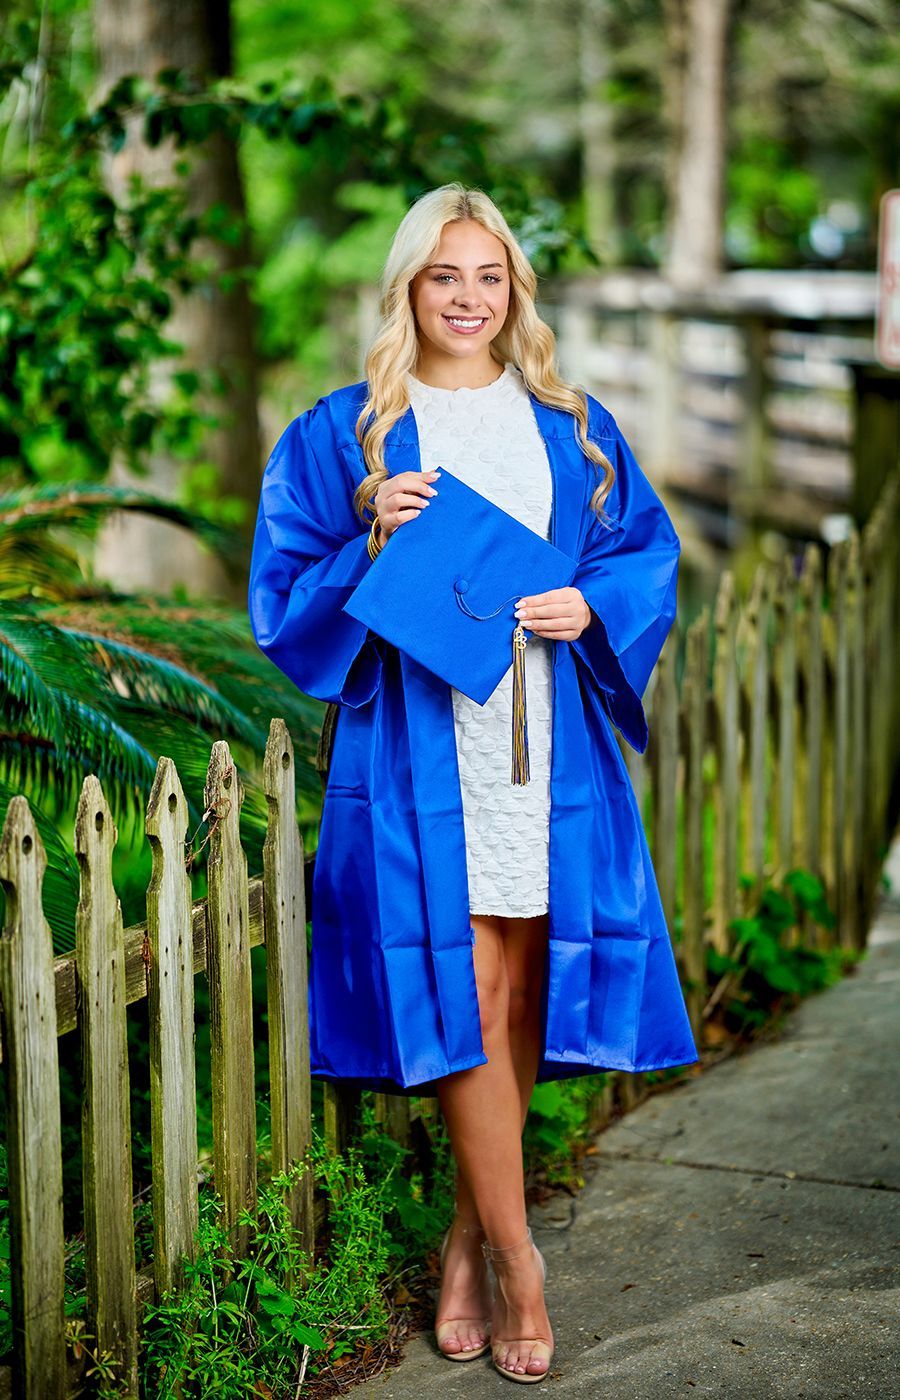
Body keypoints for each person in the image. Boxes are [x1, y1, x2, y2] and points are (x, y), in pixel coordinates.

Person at [248, 183, 698, 1385]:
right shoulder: (349, 433)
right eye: (444, 276)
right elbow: (283, 601)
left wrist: (591, 602)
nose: (467, 297)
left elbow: (642, 554)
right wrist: (366, 538)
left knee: (516, 992)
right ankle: (515, 1258)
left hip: (545, 746)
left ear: (514, 291)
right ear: (407, 287)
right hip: (420, 751)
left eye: (487, 276)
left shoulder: (573, 424)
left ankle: (459, 1236)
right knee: (465, 993)